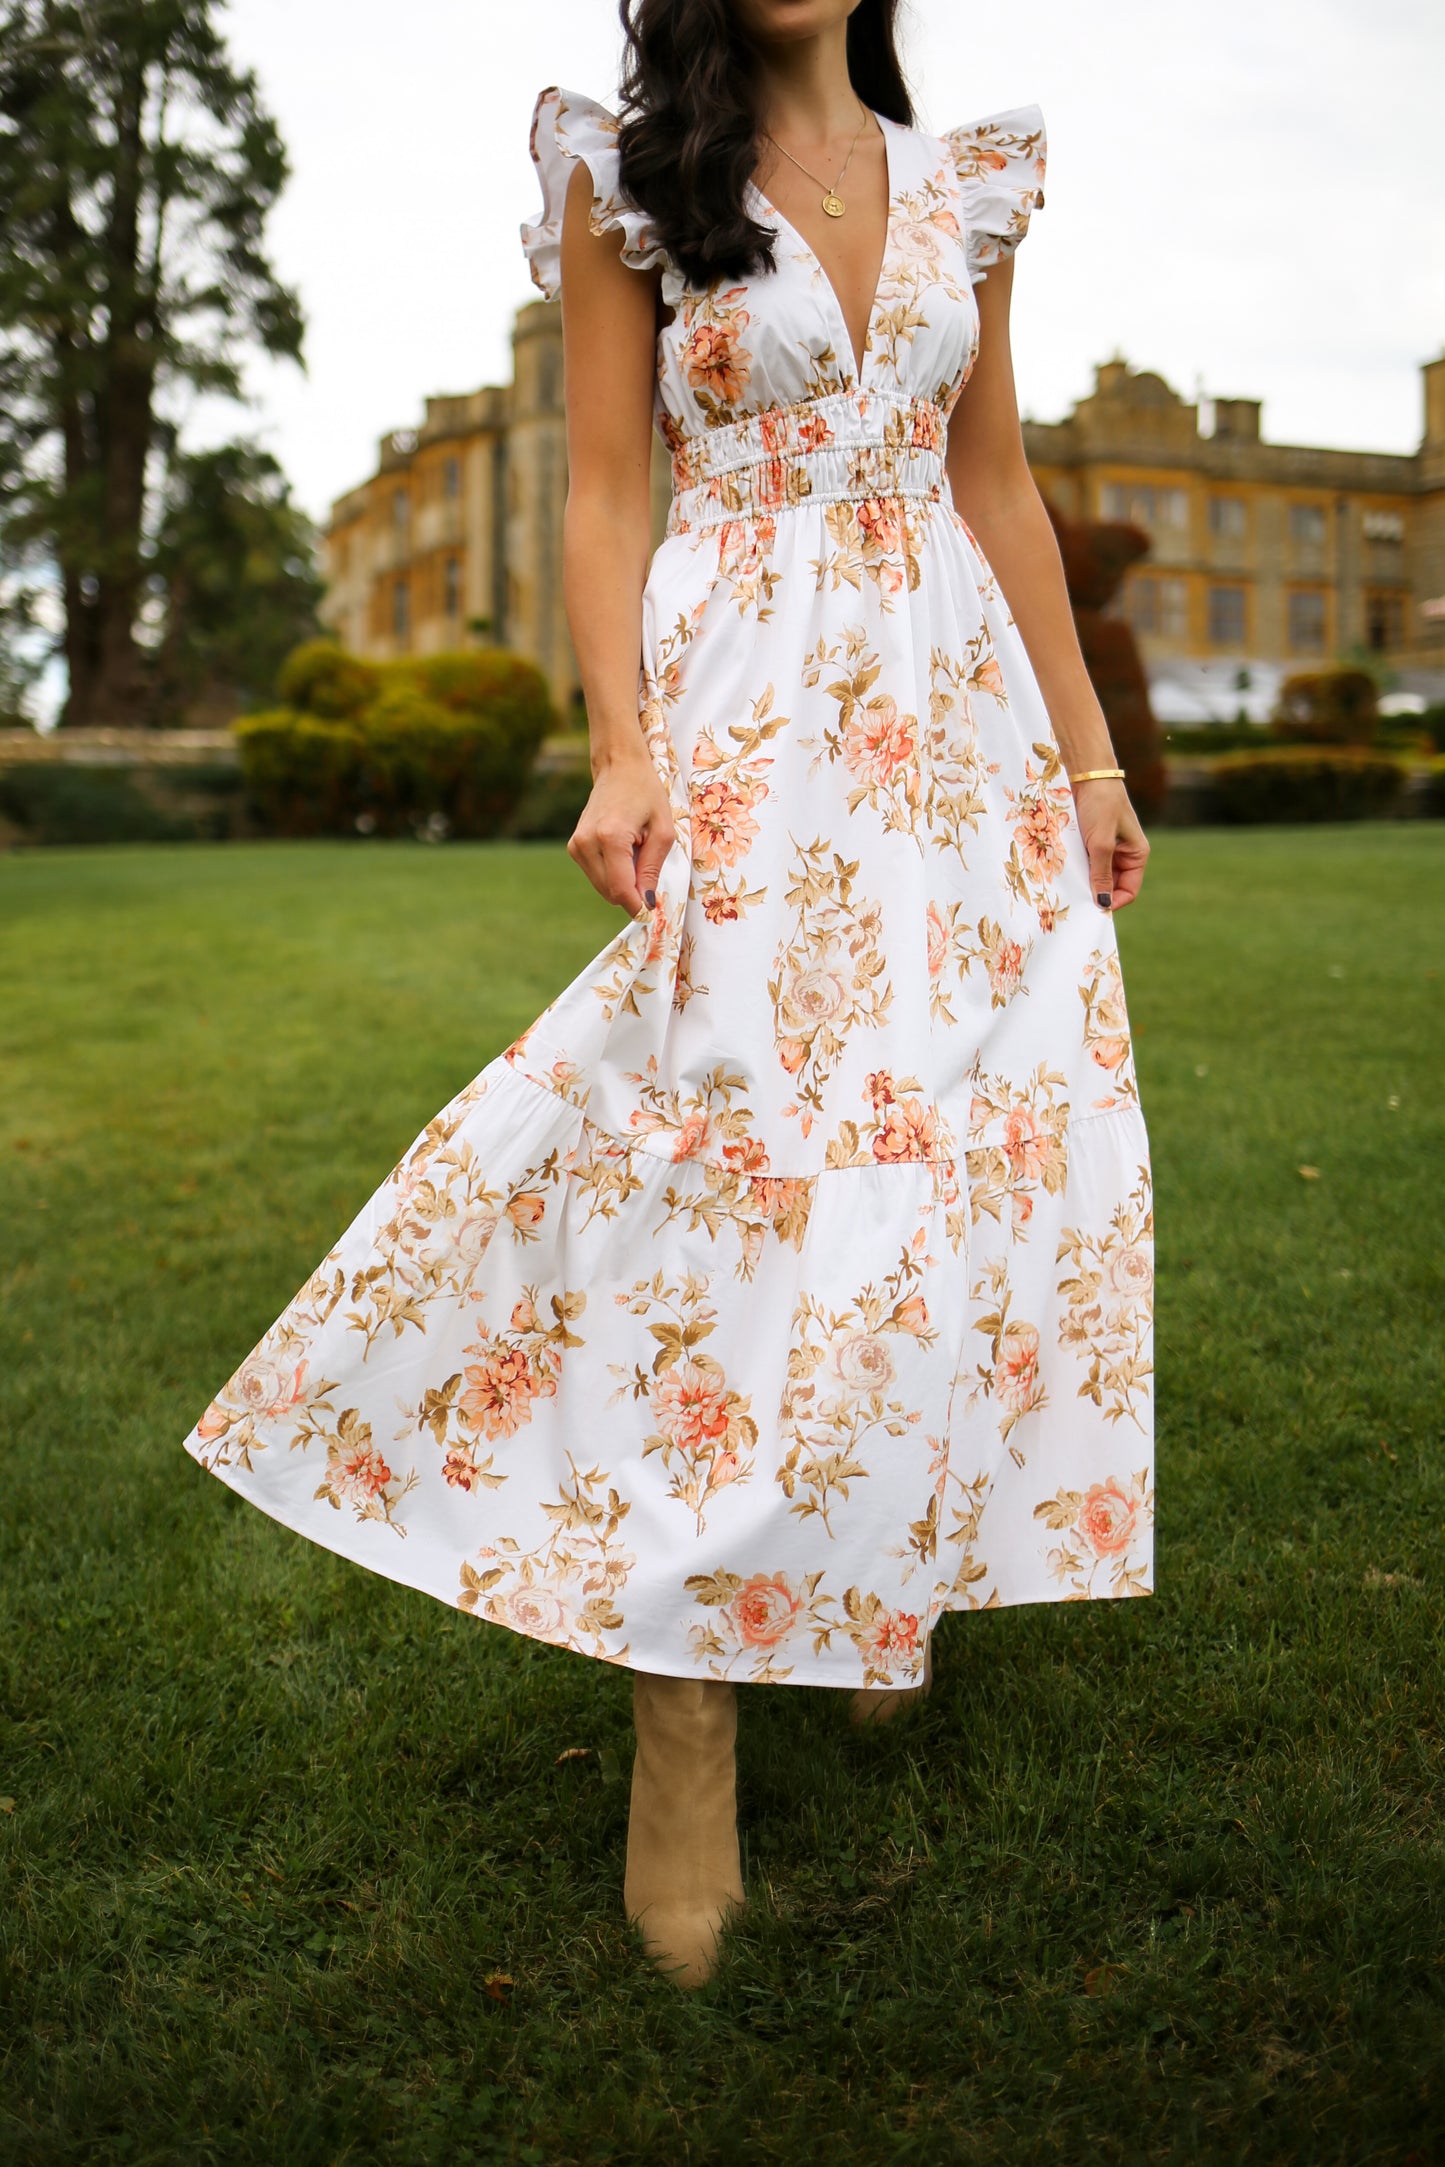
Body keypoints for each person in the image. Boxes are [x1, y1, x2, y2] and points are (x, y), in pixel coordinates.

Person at [184, 0, 1155, 1991]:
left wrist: (1088, 758)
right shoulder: (631, 178)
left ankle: (891, 1561)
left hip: (954, 740)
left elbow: (1001, 488)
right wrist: (622, 747)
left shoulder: (971, 183)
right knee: (708, 1180)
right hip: (746, 722)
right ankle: (685, 1703)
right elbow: (607, 495)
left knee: (949, 1149)